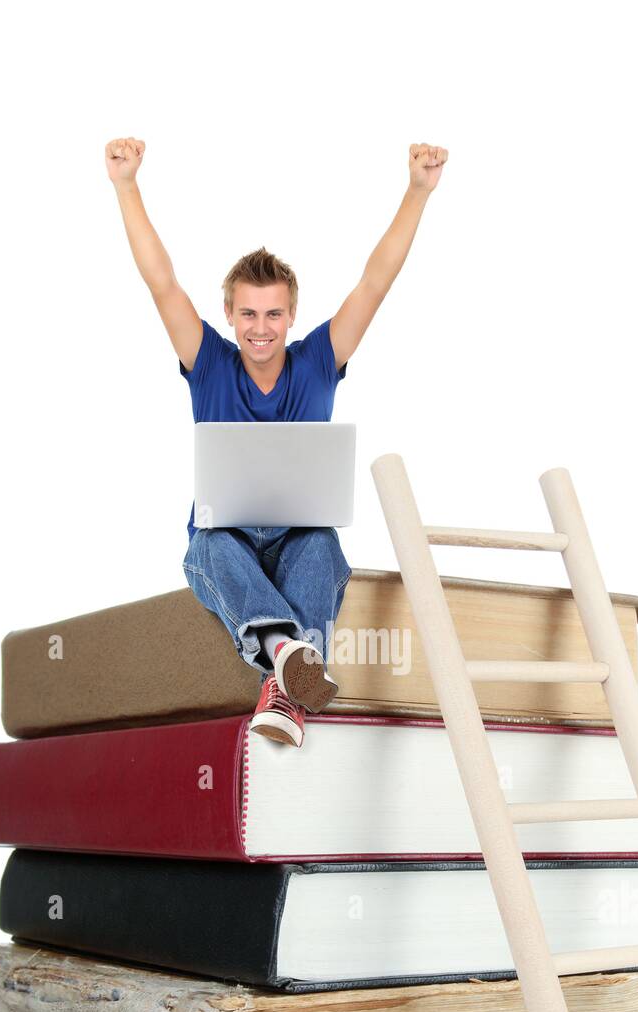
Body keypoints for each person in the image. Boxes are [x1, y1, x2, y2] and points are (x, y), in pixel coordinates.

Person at [105, 137, 449, 746]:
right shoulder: (209, 362)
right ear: (230, 316)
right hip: (227, 541)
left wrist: (418, 192)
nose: (259, 329)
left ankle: (283, 681)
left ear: (291, 316)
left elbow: (375, 283)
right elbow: (161, 284)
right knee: (209, 544)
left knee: (320, 541)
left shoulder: (317, 360)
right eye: (247, 315)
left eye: (272, 315)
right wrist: (127, 186)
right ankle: (289, 657)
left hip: (297, 538)